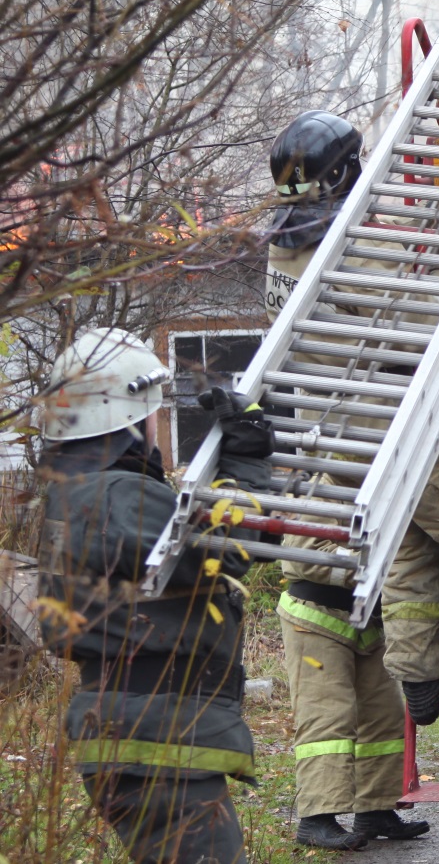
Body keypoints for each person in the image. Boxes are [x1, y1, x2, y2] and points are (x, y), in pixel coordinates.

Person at [264, 110, 439, 723]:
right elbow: (417, 331)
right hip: (394, 425)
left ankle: (418, 677)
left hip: (336, 438)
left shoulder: (282, 251)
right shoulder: (357, 244)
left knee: (409, 543)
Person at [36, 329, 275, 863]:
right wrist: (249, 465)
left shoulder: (81, 495)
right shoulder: (117, 495)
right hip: (158, 739)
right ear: (125, 421)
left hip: (140, 733)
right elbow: (222, 553)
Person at [277, 529, 429, 848]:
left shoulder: (384, 488)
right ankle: (316, 819)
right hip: (315, 617)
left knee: (385, 716)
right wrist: (378, 566)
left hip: (366, 621)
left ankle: (375, 810)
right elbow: (307, 551)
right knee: (327, 716)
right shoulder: (325, 483)